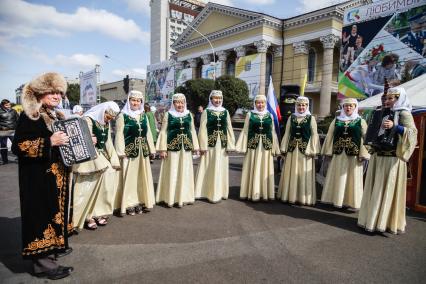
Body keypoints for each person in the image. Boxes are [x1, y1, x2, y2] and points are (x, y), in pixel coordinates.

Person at [11, 72, 73, 279]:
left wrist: (84, 139)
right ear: (40, 93)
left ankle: (53, 252)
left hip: (56, 179)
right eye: (52, 92)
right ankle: (43, 265)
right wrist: (49, 142)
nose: (57, 96)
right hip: (37, 180)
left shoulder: (57, 115)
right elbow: (19, 146)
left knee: (53, 215)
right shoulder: (30, 115)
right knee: (40, 218)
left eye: (59, 92)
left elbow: (65, 142)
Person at [358, 87, 417, 234]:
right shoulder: (379, 112)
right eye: (387, 98)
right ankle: (369, 219)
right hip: (378, 157)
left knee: (387, 190)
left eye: (392, 99)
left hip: (392, 159)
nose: (388, 101)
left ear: (399, 99)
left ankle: (385, 223)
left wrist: (396, 127)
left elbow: (413, 134)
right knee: (375, 189)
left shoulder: (404, 113)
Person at [72, 101, 121, 230]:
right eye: (108, 116)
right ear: (103, 111)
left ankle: (99, 211)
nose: (108, 119)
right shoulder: (88, 119)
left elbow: (108, 142)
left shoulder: (106, 123)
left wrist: (114, 159)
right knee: (88, 187)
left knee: (109, 175)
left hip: (100, 156)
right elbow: (83, 138)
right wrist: (89, 139)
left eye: (111, 118)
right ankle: (88, 215)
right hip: (88, 158)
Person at [320, 98, 370, 209]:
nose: (348, 108)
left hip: (354, 155)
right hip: (338, 154)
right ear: (343, 107)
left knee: (352, 178)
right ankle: (336, 200)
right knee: (337, 176)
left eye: (351, 106)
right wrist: (327, 151)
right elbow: (329, 136)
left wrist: (364, 153)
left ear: (355, 107)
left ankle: (350, 202)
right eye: (346, 106)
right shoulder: (337, 120)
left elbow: (366, 138)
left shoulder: (360, 121)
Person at [115, 91, 156, 216]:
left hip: (142, 152)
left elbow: (148, 133)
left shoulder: (143, 115)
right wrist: (121, 152)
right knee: (130, 179)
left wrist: (151, 149)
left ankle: (140, 200)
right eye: (133, 100)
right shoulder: (123, 116)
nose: (136, 103)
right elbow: (119, 135)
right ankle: (128, 203)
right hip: (129, 152)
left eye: (138, 101)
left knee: (141, 178)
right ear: (128, 101)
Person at [156, 93, 199, 207]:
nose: (180, 104)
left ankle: (184, 197)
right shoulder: (168, 115)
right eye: (177, 102)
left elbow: (192, 131)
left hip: (186, 148)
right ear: (173, 103)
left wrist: (195, 147)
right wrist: (162, 149)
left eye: (182, 102)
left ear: (184, 103)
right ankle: (171, 197)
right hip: (172, 148)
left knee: (185, 172)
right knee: (173, 171)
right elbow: (164, 132)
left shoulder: (189, 115)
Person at [236, 95, 280, 201]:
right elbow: (245, 131)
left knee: (265, 168)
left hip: (266, 147)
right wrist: (241, 146)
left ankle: (264, 193)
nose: (260, 105)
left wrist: (276, 148)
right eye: (258, 103)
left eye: (262, 103)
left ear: (265, 104)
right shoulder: (250, 114)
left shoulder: (270, 115)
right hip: (253, 147)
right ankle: (250, 192)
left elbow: (272, 132)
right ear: (255, 104)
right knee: (252, 167)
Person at [277, 96, 320, 205]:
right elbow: (287, 133)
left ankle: (303, 198)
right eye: (299, 105)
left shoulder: (311, 118)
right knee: (291, 172)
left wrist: (312, 149)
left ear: (307, 106)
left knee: (303, 173)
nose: (301, 107)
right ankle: (289, 195)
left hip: (305, 151)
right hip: (292, 150)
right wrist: (283, 148)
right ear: (296, 106)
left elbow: (314, 135)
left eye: (303, 105)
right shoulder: (292, 118)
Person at [194, 90, 236, 203]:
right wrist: (202, 146)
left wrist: (230, 145)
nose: (217, 100)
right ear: (211, 99)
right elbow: (202, 129)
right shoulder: (206, 112)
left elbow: (229, 128)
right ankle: (205, 192)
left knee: (220, 167)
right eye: (215, 98)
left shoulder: (225, 112)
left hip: (222, 145)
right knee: (209, 167)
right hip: (209, 145)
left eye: (219, 98)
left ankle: (220, 192)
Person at [0, 99, 19, 165]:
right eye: (6, 105)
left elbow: (18, 120)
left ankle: (19, 158)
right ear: (2, 105)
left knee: (16, 145)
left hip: (13, 131)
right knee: (3, 146)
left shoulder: (14, 111)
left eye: (9, 104)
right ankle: (5, 160)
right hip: (3, 132)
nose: (8, 106)